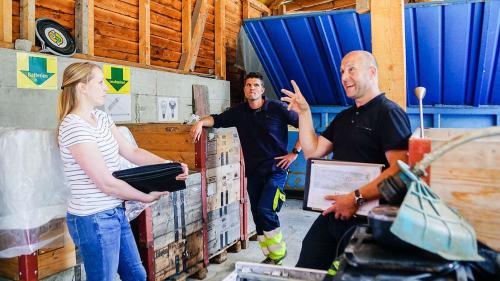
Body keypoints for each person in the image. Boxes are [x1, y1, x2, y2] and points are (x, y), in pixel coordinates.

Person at [57, 62, 189, 281]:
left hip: (115, 211)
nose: (106, 88)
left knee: (136, 275)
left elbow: (132, 151)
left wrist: (169, 166)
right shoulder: (73, 126)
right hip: (93, 218)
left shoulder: (101, 118)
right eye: (100, 82)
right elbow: (105, 183)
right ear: (81, 87)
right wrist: (145, 197)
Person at [281, 50, 412, 270]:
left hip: (369, 220)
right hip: (336, 212)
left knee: (349, 273)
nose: (343, 77)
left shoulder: (389, 113)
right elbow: (312, 151)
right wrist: (304, 113)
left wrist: (355, 198)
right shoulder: (344, 117)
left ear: (372, 72)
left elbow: (400, 171)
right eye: (342, 71)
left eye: (351, 69)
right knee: (308, 264)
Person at [190, 72, 301, 265]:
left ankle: (279, 253)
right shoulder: (239, 112)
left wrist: (295, 152)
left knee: (266, 210)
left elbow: (304, 125)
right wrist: (200, 122)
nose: (252, 88)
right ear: (244, 89)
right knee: (258, 216)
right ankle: (271, 255)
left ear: (262, 89)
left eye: (256, 85)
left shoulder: (277, 108)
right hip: (254, 173)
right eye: (249, 85)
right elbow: (216, 119)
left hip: (276, 170)